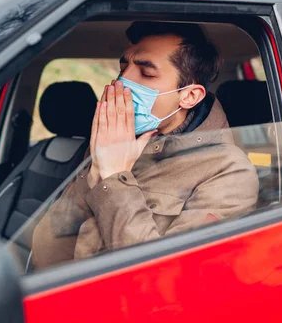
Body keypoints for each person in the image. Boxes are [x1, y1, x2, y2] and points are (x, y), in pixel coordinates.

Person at [31, 21, 259, 270]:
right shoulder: (114, 143)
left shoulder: (228, 171)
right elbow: (48, 252)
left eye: (146, 73)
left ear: (189, 96)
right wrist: (95, 172)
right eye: (123, 67)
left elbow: (161, 277)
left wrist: (115, 178)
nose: (122, 81)